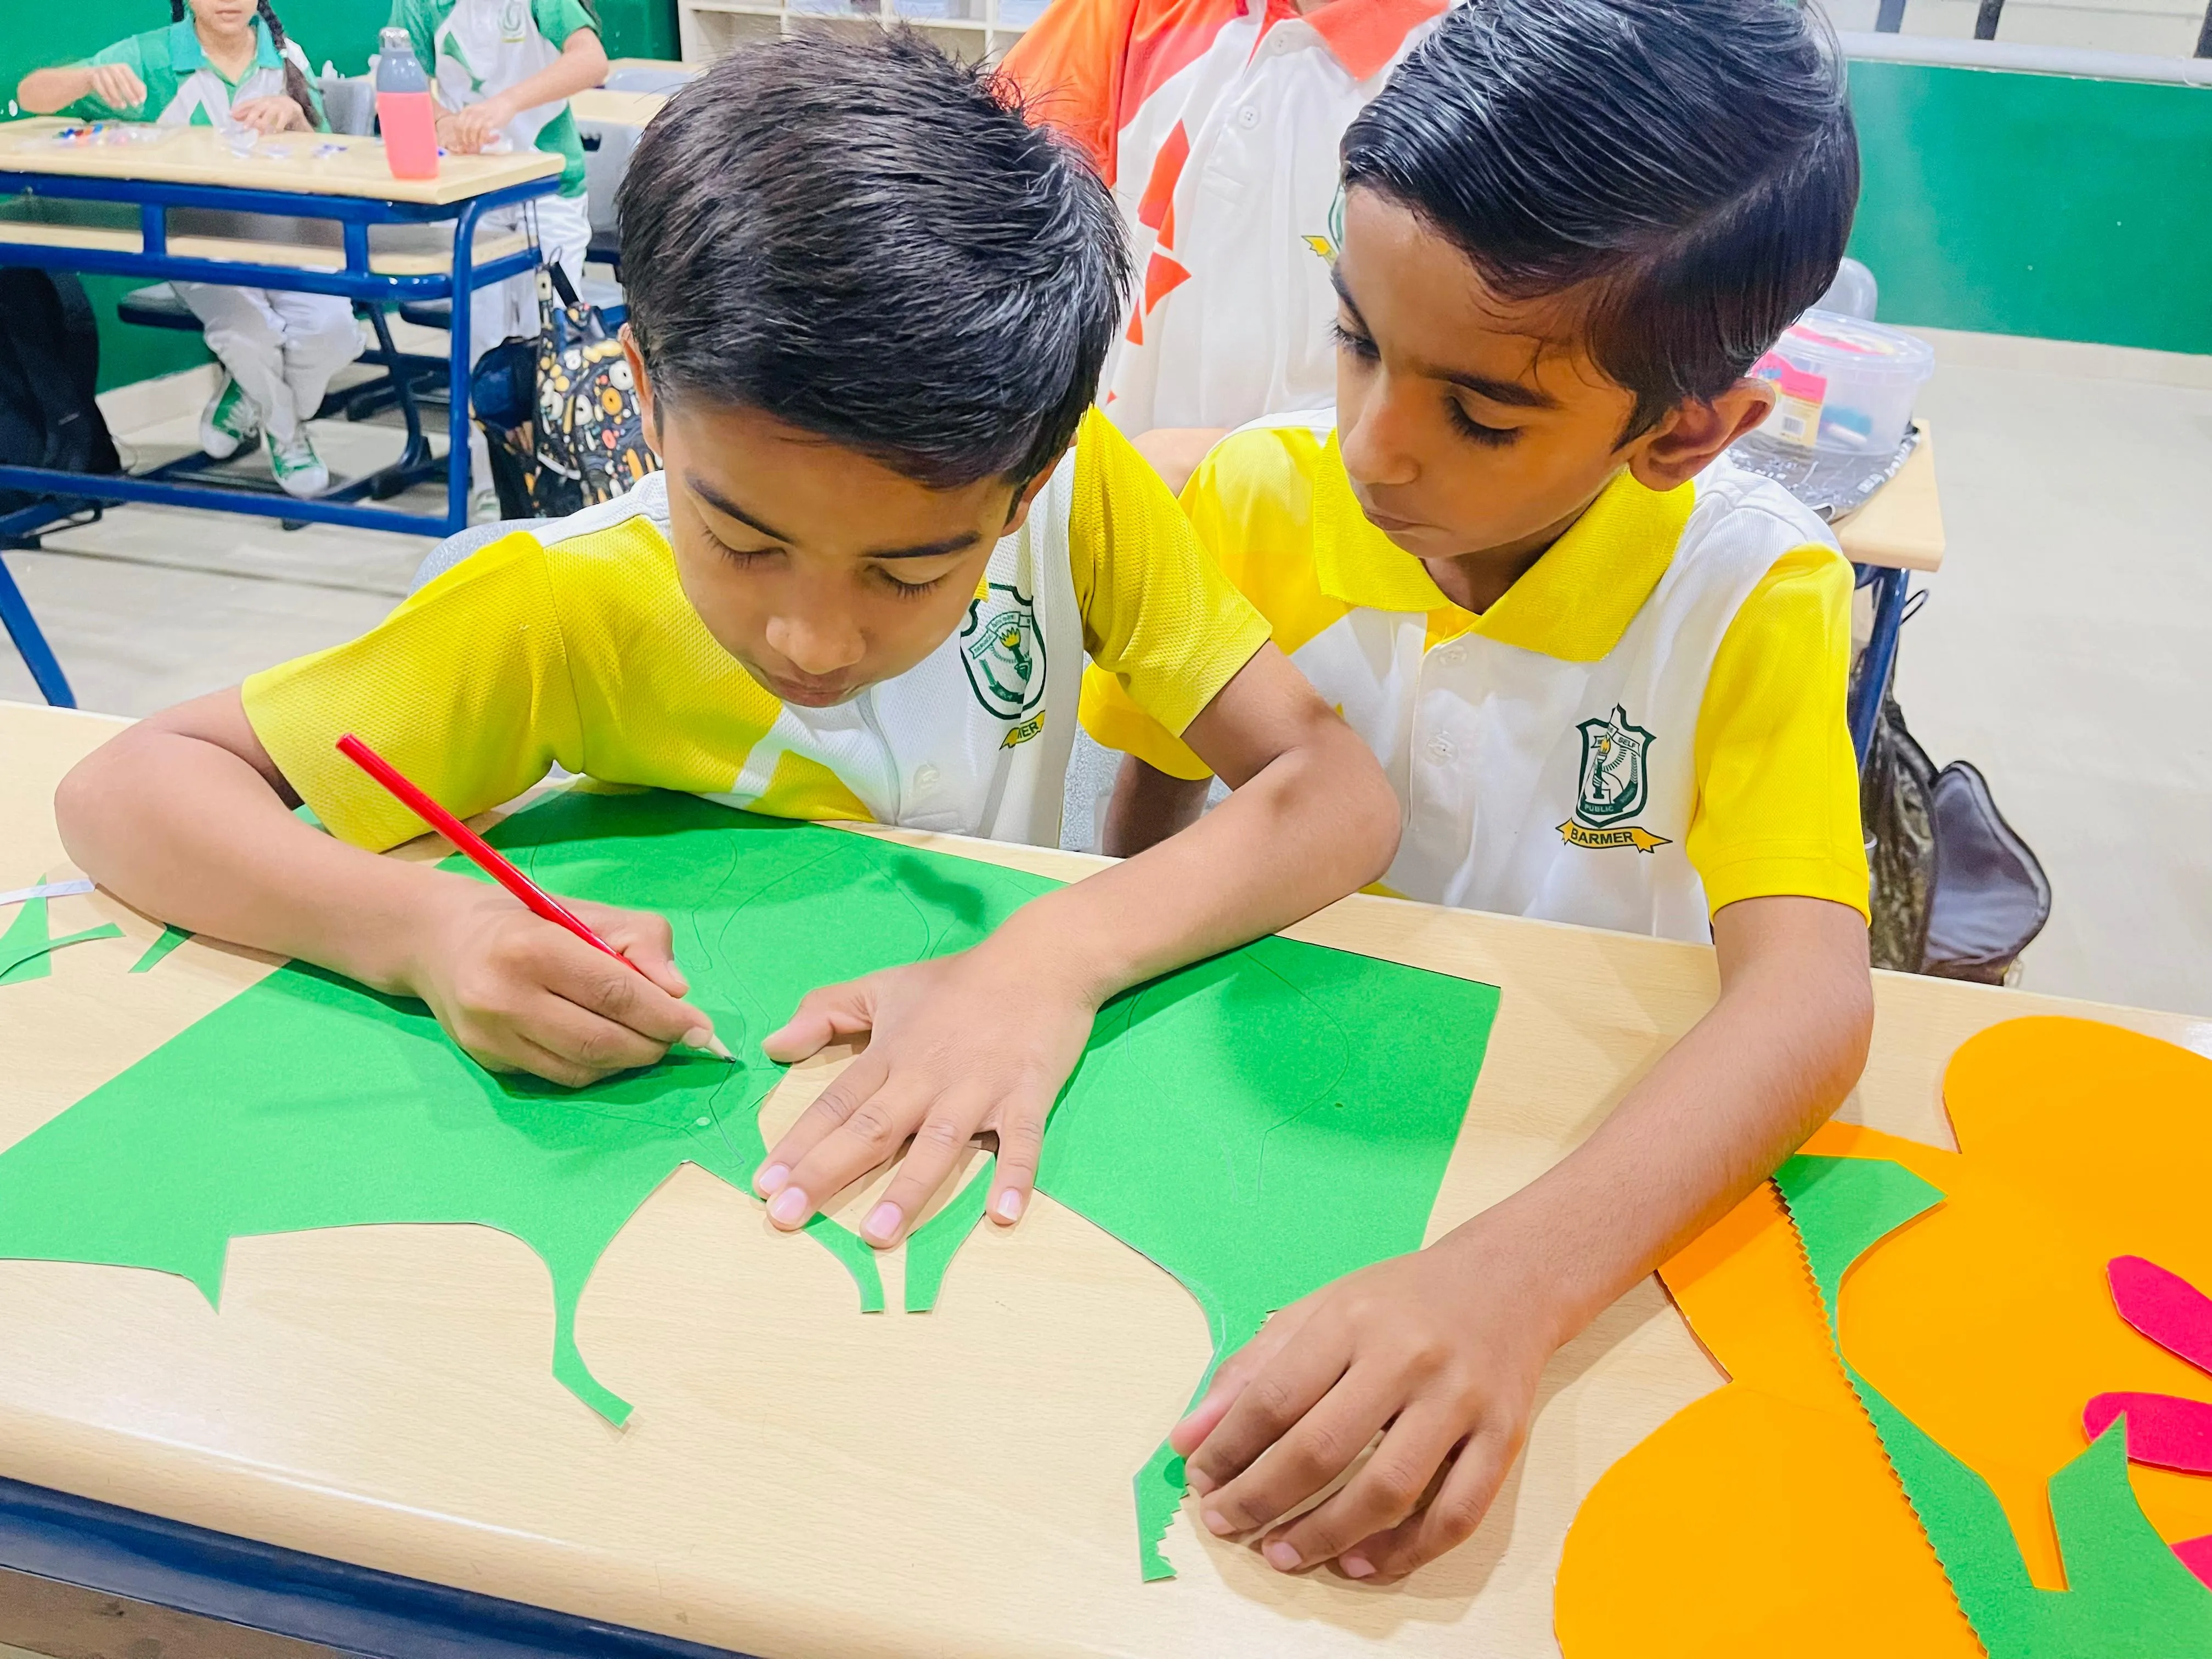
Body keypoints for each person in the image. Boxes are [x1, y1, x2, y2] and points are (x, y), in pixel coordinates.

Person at [55, 32, 1398, 1256]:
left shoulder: (1080, 491)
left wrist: (1054, 954)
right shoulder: (560, 608)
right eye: (744, 539)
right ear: (645, 389)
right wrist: (425, 929)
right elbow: (126, 791)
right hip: (665, 1207)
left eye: (912, 568)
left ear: (1026, 481)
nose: (810, 633)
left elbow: (1332, 791)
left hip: (993, 1172)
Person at [1086, 0, 1877, 1581]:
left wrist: (1512, 1289)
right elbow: (1150, 813)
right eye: (1358, 338)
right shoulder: (1262, 494)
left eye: (1482, 409)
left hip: (1578, 1181)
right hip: (1258, 1136)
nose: (1376, 446)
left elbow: (1809, 1004)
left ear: (1692, 429)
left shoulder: (1752, 595)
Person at [1002, 0, 1451, 490]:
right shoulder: (1126, 17)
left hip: (1334, 539)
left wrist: (1236, 464)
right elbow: (987, 228)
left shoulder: (1475, 59)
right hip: (1108, 518)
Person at [18, 0, 364, 498]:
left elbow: (333, 157)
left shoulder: (288, 56)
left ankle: (250, 390)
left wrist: (296, 117)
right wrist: (87, 81)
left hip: (287, 235)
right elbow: (31, 95)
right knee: (248, 335)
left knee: (334, 332)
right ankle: (288, 434)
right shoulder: (151, 56)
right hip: (194, 241)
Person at [383, 0, 609, 516]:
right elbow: (402, 75)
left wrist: (506, 104)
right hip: (473, 192)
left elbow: (592, 60)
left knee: (549, 351)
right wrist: (441, 122)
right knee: (479, 344)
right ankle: (493, 488)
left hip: (548, 187)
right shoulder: (420, 5)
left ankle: (562, 488)